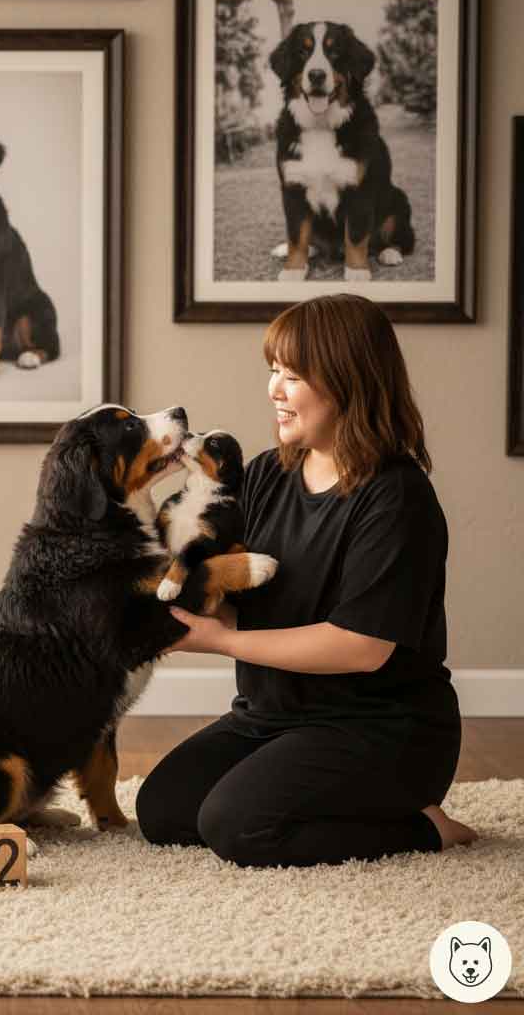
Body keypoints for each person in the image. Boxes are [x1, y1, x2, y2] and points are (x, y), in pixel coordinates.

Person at [135, 293, 478, 868]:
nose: (273, 389)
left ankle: (426, 828)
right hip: (271, 715)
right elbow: (237, 591)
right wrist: (194, 604)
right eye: (273, 371)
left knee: (237, 826)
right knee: (164, 809)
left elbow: (362, 646)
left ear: (349, 382)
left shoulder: (397, 497)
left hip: (380, 729)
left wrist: (220, 640)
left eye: (291, 376)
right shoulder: (269, 473)